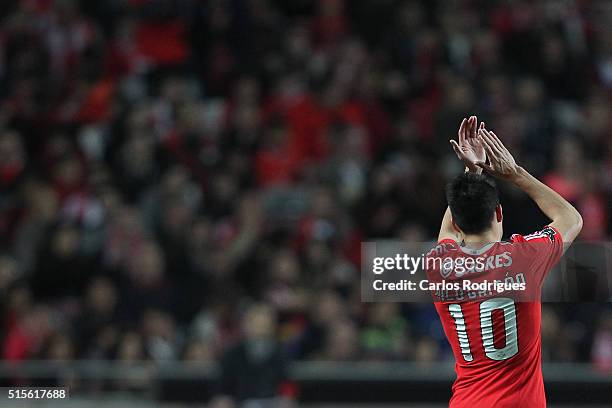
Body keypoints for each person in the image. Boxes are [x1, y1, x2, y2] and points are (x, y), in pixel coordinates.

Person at [428, 116, 582, 407]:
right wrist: (515, 173)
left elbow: (447, 229)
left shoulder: (439, 265)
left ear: (458, 226)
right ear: (499, 213)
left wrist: (471, 171)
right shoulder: (523, 259)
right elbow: (570, 218)